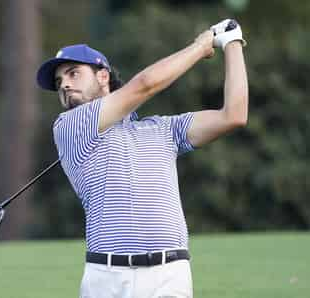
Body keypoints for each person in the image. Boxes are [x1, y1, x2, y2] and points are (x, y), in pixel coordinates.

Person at [36, 19, 248, 298]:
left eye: (73, 73)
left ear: (103, 76)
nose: (64, 84)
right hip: (108, 278)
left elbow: (233, 115)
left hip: (169, 275)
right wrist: (200, 46)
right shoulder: (70, 125)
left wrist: (232, 43)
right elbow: (145, 85)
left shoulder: (163, 129)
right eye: (59, 81)